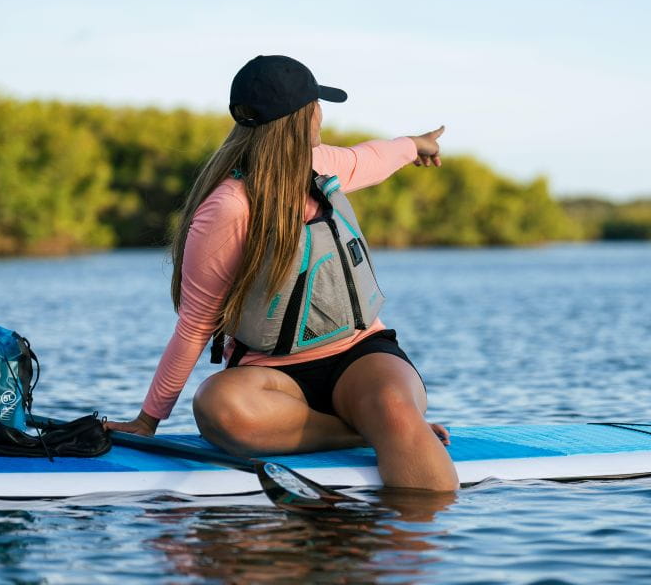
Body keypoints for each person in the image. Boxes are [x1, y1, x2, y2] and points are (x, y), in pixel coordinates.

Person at [106, 55, 459, 491]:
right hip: (273, 379)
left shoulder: (323, 165)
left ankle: (391, 434)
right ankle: (369, 429)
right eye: (318, 104)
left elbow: (374, 156)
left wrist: (416, 144)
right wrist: (148, 420)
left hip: (361, 356)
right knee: (219, 407)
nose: (322, 114)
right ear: (304, 117)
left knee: (390, 405)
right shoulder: (228, 208)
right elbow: (196, 324)